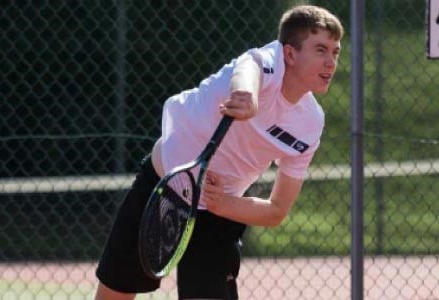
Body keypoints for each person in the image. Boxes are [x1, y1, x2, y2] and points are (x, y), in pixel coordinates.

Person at [94, 5, 343, 300]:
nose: (330, 62)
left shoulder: (310, 123)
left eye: (335, 53)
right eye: (321, 50)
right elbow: (248, 69)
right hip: (161, 186)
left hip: (219, 212)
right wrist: (246, 97)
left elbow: (277, 210)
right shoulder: (266, 61)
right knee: (115, 294)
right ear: (289, 54)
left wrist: (222, 203)